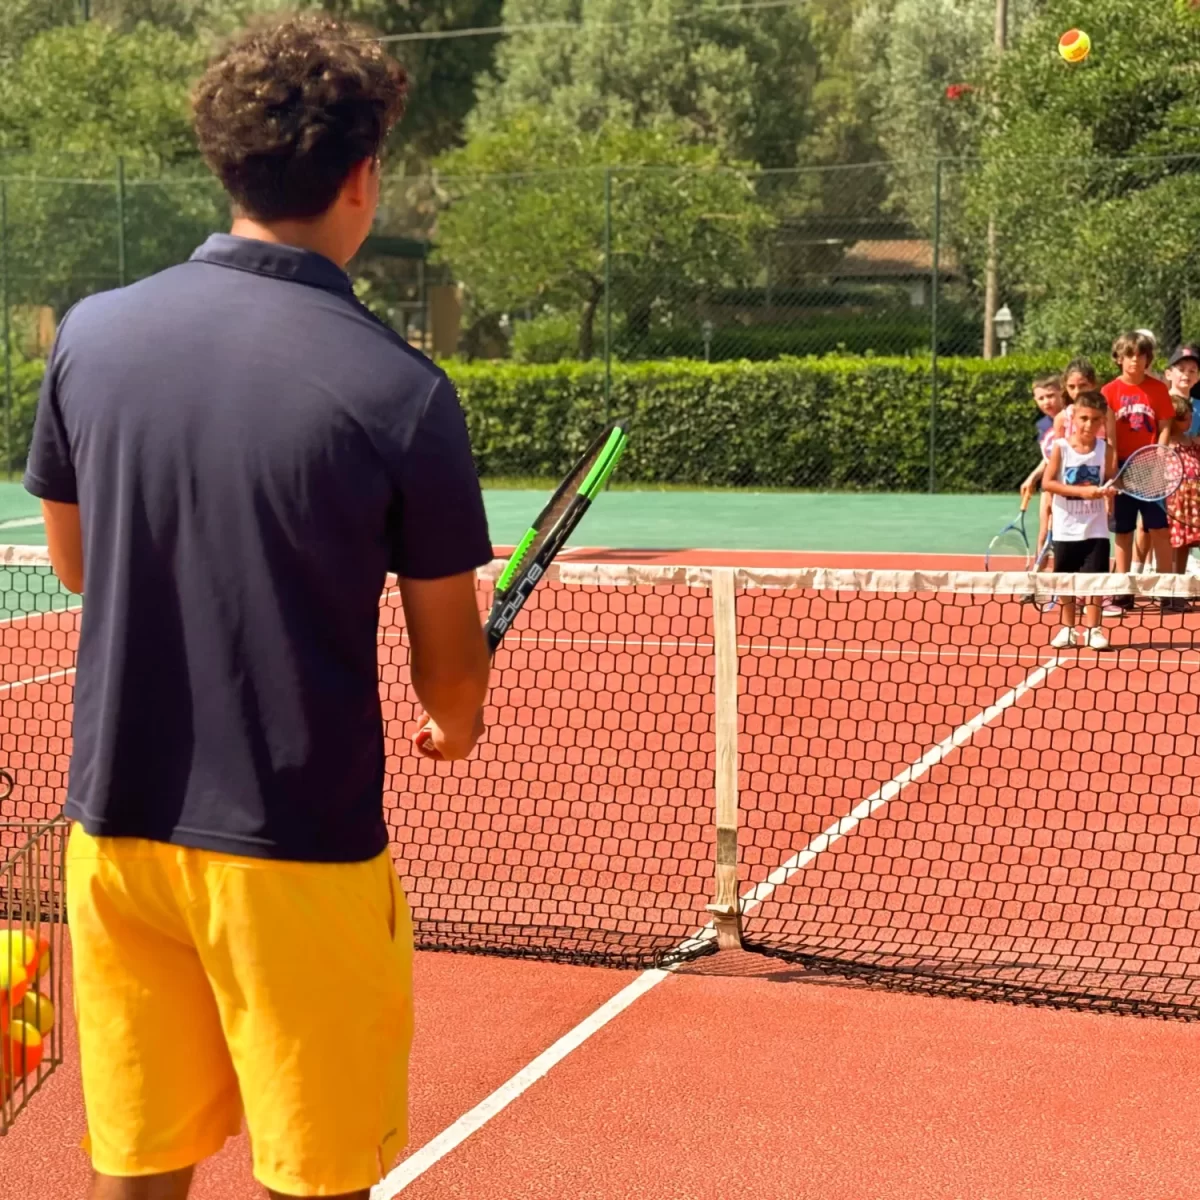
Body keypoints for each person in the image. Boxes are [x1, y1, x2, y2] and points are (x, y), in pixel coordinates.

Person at [22, 15, 494, 1200]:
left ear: (225, 164)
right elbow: (449, 668)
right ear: (362, 176)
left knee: (137, 1164)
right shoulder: (402, 391)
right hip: (296, 852)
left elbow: (74, 566)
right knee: (316, 1177)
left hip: (114, 832)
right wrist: (457, 717)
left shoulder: (91, 336)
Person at [1101, 330, 1175, 605]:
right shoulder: (1109, 392)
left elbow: (1165, 426)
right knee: (1123, 531)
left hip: (1150, 466)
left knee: (1159, 529)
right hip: (1121, 467)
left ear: (1148, 359)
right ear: (1119, 358)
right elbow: (1110, 438)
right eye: (1129, 355)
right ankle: (1123, 590)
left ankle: (1168, 590)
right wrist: (1113, 474)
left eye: (1141, 355)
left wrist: (1159, 455)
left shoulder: (1158, 389)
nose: (1135, 360)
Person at [1042, 390, 1115, 649]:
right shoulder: (1061, 448)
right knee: (1065, 580)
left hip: (1096, 529)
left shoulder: (1105, 450)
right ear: (1073, 418)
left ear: (1102, 421)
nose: (1088, 425)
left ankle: (1094, 630)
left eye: (1095, 420)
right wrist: (1082, 491)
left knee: (1095, 581)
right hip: (1065, 528)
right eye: (1084, 418)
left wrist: (1109, 490)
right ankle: (1068, 629)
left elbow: (1112, 479)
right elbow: (1048, 483)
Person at [1164, 344, 1200, 576]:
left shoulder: (1199, 406)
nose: (1186, 374)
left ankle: (1178, 573)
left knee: (1185, 534)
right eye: (1181, 368)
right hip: (1168, 482)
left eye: (1192, 370)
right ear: (1169, 373)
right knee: (1151, 528)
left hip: (1192, 486)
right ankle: (1145, 569)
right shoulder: (1160, 402)